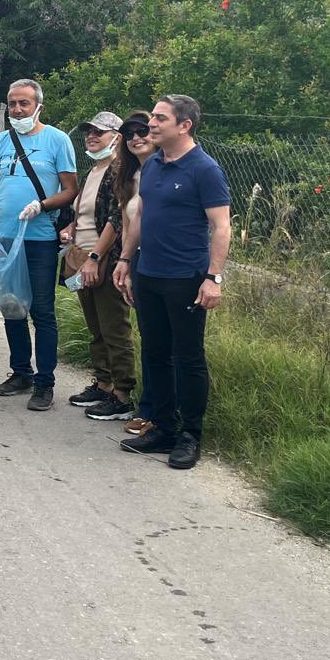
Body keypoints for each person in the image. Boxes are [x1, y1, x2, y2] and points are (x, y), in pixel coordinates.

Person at [115, 95, 231, 471]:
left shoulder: (204, 169)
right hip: (149, 274)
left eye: (161, 119)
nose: (152, 124)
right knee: (155, 352)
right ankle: (162, 427)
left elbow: (222, 227)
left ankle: (190, 435)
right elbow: (141, 217)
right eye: (153, 118)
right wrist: (126, 260)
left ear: (185, 125)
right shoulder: (153, 166)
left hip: (186, 278)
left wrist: (213, 278)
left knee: (188, 356)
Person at [0, 78, 78, 410]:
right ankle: (20, 371)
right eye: (13, 103)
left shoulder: (57, 140)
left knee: (42, 310)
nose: (19, 109)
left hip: (39, 238)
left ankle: (44, 381)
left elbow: (70, 189)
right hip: (7, 238)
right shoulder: (0, 142)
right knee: (12, 306)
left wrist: (44, 205)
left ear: (39, 106)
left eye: (25, 103)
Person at [61, 111, 136, 422]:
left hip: (106, 259)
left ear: (117, 137)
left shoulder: (119, 170)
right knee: (95, 326)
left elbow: (118, 219)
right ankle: (103, 383)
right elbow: (88, 213)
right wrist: (72, 231)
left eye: (100, 133)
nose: (92, 137)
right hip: (84, 257)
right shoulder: (94, 169)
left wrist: (96, 257)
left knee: (114, 328)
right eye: (89, 132)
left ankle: (123, 394)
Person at [110, 113, 157, 434]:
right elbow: (128, 225)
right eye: (129, 133)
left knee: (164, 344)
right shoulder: (129, 176)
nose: (136, 137)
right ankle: (149, 408)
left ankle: (160, 413)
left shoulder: (165, 169)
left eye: (143, 131)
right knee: (150, 340)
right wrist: (124, 265)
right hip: (138, 262)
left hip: (167, 261)